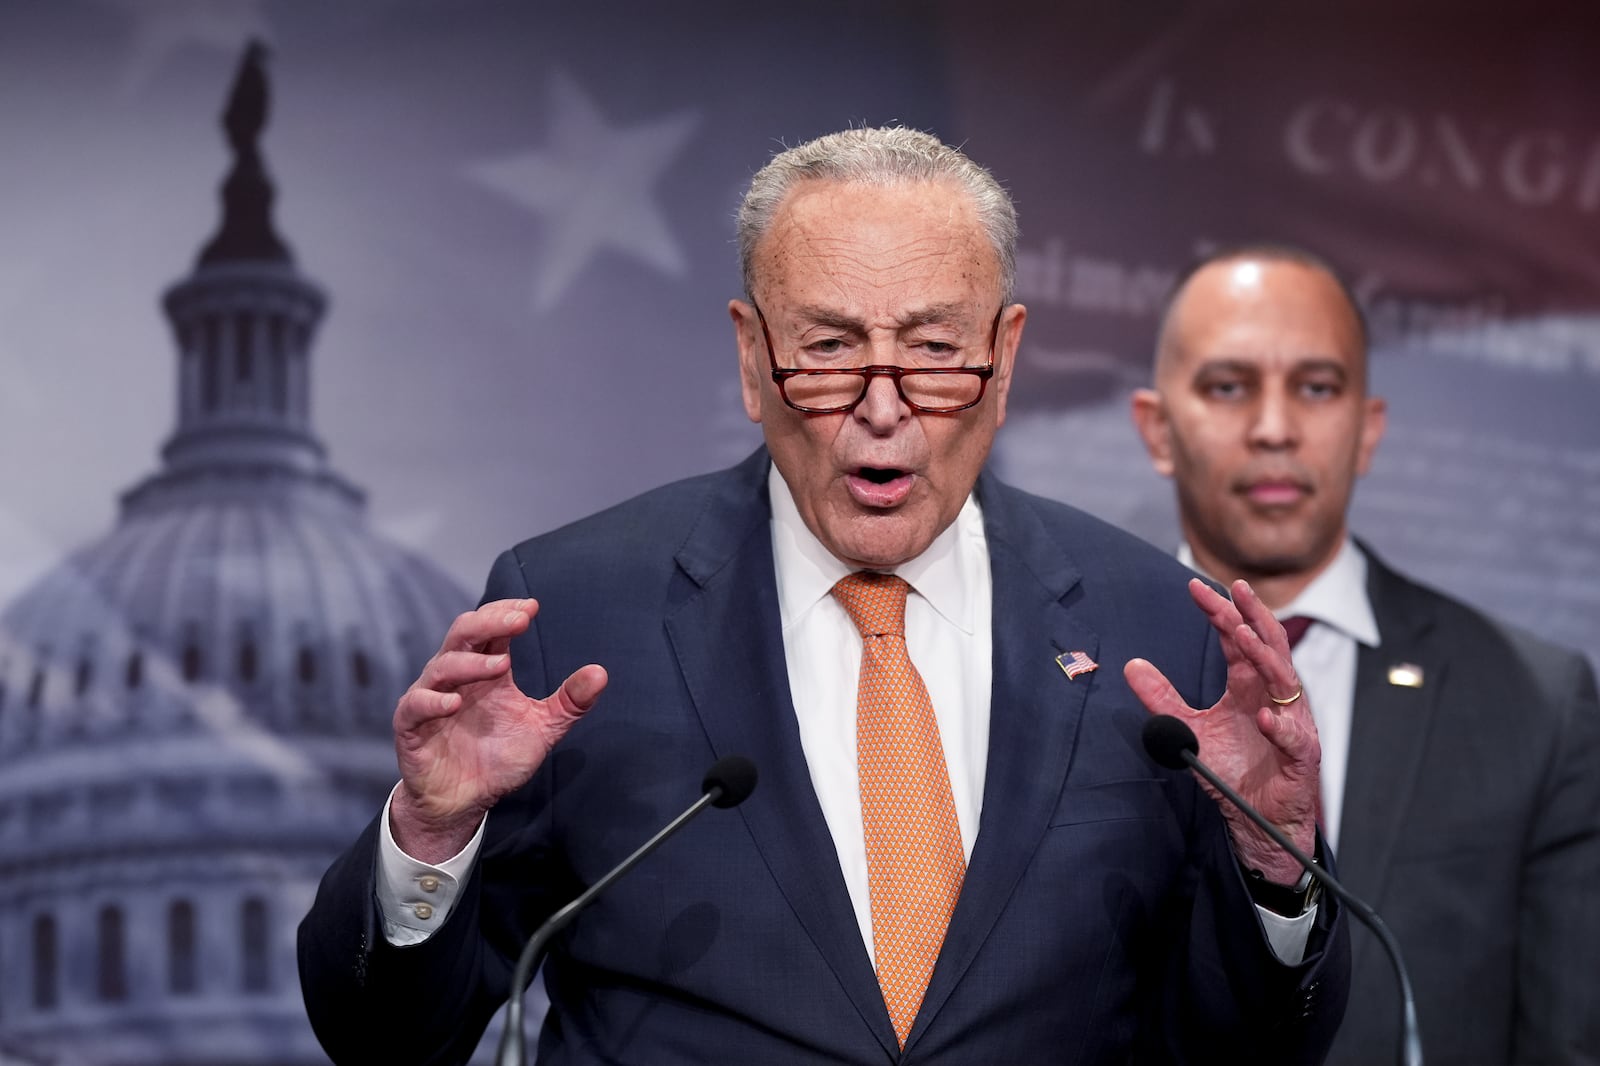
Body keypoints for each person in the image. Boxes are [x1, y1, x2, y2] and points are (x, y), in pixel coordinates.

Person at [298, 129, 1349, 1065]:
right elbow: (389, 1040)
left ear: (1005, 355)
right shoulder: (576, 613)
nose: (882, 409)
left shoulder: (1158, 623)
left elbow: (1250, 1044)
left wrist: (1274, 866)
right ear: (754, 359)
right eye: (831, 348)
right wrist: (430, 837)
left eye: (935, 351)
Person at [1130, 244, 1600, 1064]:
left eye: (1316, 388)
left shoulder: (1537, 701)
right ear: (1157, 429)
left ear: (1369, 430)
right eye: (1228, 386)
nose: (1274, 428)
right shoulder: (1071, 667)